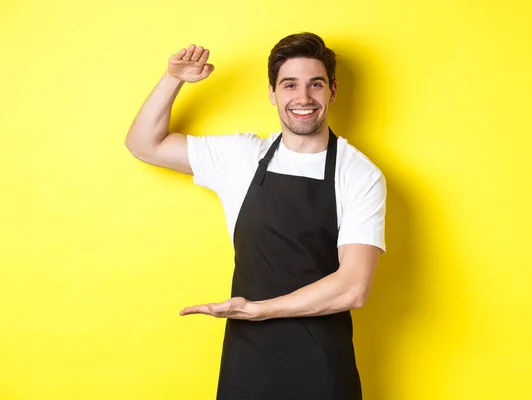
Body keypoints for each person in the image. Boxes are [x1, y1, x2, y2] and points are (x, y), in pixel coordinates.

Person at [125, 32, 386, 400]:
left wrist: (260, 310)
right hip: (248, 360)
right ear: (272, 93)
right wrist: (173, 79)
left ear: (333, 91)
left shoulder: (358, 173)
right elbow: (143, 144)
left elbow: (353, 287)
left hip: (322, 366)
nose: (303, 98)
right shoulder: (240, 156)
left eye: (316, 84)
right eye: (289, 84)